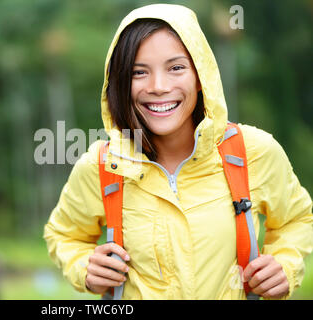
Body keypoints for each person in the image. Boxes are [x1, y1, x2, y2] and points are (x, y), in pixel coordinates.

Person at [43, 4, 313, 299]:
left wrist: (285, 266)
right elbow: (64, 235)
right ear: (120, 83)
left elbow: (297, 220)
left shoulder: (254, 151)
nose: (158, 86)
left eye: (176, 68)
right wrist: (85, 269)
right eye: (138, 72)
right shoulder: (102, 165)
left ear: (201, 77)